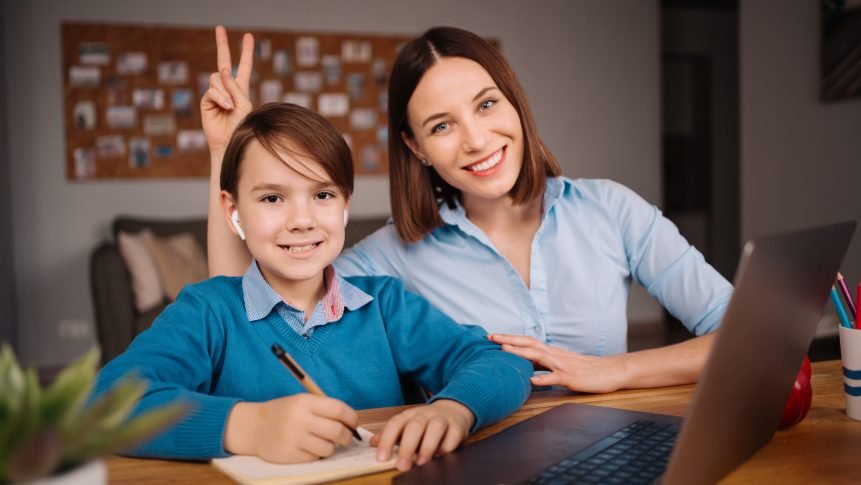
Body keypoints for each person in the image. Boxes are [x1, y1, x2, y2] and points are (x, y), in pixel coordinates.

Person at [203, 26, 734, 395]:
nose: (477, 140)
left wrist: (613, 372)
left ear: (514, 103)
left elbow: (746, 338)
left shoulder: (610, 208)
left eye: (486, 104)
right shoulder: (393, 256)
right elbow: (245, 311)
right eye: (442, 126)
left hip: (614, 442)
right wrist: (229, 153)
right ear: (415, 147)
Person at [95, 102, 532, 471]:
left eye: (322, 195)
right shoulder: (207, 312)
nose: (301, 220)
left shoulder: (386, 304)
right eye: (272, 198)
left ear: (345, 207)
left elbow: (498, 362)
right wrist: (246, 426)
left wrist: (454, 408)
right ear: (233, 211)